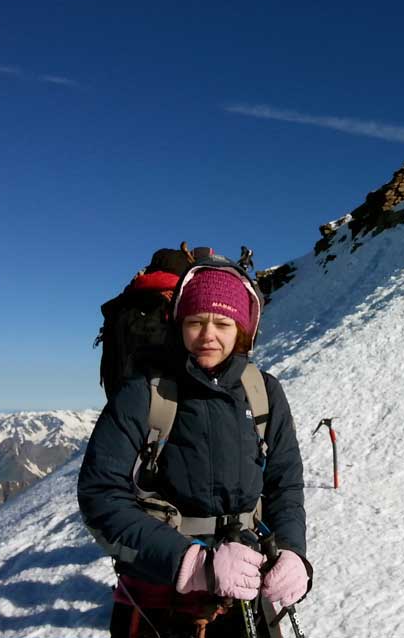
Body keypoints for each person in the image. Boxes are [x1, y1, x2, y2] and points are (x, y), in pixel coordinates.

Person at [78, 254, 311, 637]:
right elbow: (100, 495)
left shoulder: (264, 392)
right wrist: (192, 563)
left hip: (246, 590)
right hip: (160, 597)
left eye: (222, 323)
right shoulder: (143, 393)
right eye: (195, 322)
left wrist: (292, 551)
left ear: (243, 331)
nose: (208, 335)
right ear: (179, 325)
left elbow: (284, 484)